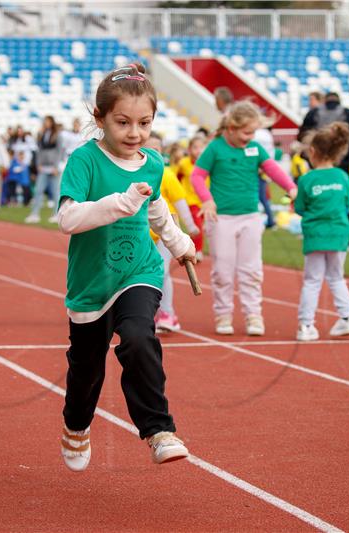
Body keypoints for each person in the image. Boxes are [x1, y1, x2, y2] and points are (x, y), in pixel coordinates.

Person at [54, 63, 195, 471]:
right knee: (87, 370)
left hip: (139, 272)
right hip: (91, 283)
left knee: (138, 338)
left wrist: (179, 242)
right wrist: (119, 203)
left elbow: (156, 207)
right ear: (99, 118)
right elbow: (68, 219)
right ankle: (76, 426)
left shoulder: (152, 161)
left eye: (144, 122)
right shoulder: (84, 161)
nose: (135, 133)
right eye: (123, 122)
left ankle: (159, 430)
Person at [191, 100, 298, 336]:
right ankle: (223, 314)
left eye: (254, 132)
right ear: (231, 127)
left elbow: (272, 169)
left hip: (250, 216)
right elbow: (197, 176)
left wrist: (291, 187)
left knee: (251, 270)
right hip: (221, 219)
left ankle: (253, 315)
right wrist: (207, 199)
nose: (250, 137)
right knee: (223, 270)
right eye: (246, 132)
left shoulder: (255, 148)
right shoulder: (215, 148)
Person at [294, 123, 349, 342]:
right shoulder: (342, 177)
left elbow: (300, 208)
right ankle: (347, 318)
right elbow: (348, 203)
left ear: (312, 152)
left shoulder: (306, 179)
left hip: (315, 234)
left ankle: (306, 325)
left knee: (312, 280)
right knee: (336, 277)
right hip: (339, 232)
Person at [143, 133, 200, 332]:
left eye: (156, 150)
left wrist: (191, 226)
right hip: (141, 234)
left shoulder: (166, 175)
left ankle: (167, 313)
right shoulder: (131, 173)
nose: (152, 153)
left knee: (162, 271)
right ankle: (144, 312)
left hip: (166, 233)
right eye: (146, 148)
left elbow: (180, 203)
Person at [297, 91, 349, 175]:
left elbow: (301, 136)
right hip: (342, 161)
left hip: (318, 161)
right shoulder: (347, 113)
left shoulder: (313, 113)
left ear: (324, 100)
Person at [175, 135, 208, 260]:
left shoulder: (208, 163)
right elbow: (175, 178)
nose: (198, 150)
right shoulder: (183, 163)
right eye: (195, 147)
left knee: (205, 227)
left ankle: (192, 247)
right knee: (197, 226)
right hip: (190, 200)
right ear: (189, 149)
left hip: (206, 201)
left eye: (201, 147)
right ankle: (197, 251)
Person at [25, 116, 62, 224]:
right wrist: (38, 164)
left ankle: (56, 214)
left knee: (55, 192)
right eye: (45, 122)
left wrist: (56, 166)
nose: (46, 124)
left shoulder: (57, 135)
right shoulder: (42, 135)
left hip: (53, 167)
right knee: (38, 191)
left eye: (48, 122)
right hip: (43, 167)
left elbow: (59, 151)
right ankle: (34, 214)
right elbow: (39, 151)